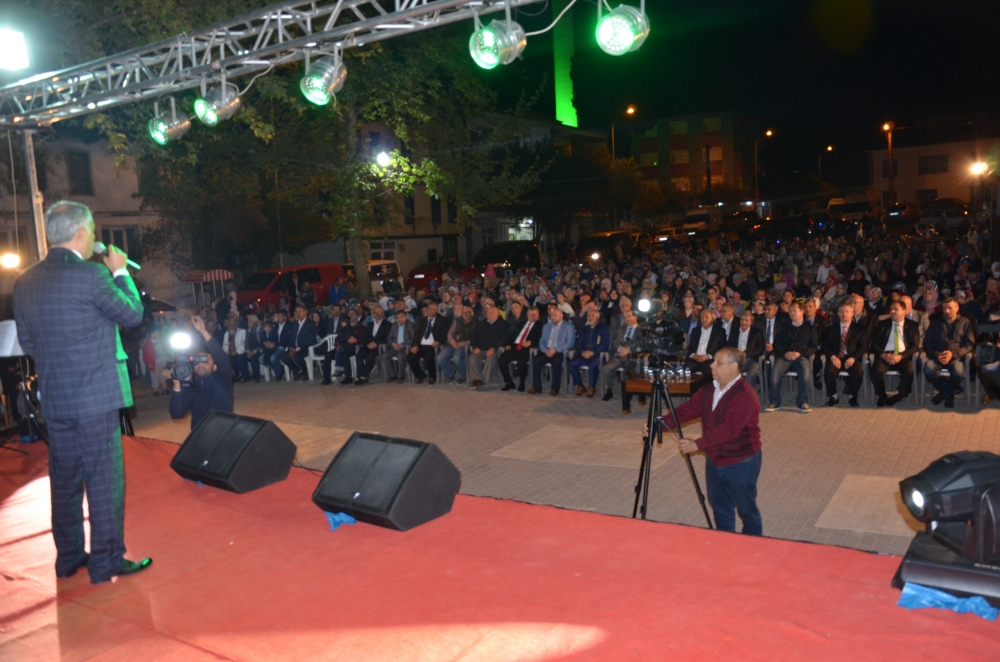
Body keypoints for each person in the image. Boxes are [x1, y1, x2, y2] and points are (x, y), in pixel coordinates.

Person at [13, 200, 150, 583]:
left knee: (65, 478)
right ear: (79, 233)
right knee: (104, 480)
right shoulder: (93, 275)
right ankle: (106, 561)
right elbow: (133, 315)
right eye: (92, 230)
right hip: (96, 398)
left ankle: (69, 556)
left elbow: (28, 342)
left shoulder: (25, 281)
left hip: (57, 398)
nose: (94, 237)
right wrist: (121, 272)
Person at [646, 347, 763, 536]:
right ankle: (724, 546)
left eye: (718, 362)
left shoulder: (745, 395)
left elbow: (729, 430)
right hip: (715, 459)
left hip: (741, 461)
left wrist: (697, 444)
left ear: (734, 367)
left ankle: (754, 549)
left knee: (747, 511)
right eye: (713, 360)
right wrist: (657, 425)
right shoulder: (709, 389)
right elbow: (686, 411)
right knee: (721, 509)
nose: (712, 365)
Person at [167, 316, 235, 429]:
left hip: (223, 433)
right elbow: (177, 414)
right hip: (199, 437)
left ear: (215, 366)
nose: (200, 364)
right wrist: (177, 386)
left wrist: (204, 331)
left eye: (205, 360)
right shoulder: (191, 385)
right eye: (197, 361)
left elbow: (223, 360)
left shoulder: (223, 379)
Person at [922, 297, 976, 408]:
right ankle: (948, 394)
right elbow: (927, 343)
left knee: (958, 372)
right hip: (938, 355)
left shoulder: (965, 322)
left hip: (956, 355)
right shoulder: (936, 322)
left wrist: (953, 354)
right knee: (928, 370)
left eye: (950, 308)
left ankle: (943, 394)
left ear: (957, 308)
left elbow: (969, 344)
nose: (947, 311)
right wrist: (936, 354)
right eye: (944, 308)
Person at [767, 301, 816, 413]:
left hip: (800, 357)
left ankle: (802, 402)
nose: (791, 313)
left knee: (805, 372)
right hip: (784, 356)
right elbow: (776, 344)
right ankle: (775, 402)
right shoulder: (784, 327)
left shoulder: (810, 329)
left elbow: (813, 347)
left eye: (794, 310)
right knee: (775, 372)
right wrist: (785, 353)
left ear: (802, 311)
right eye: (790, 310)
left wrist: (800, 353)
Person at [870, 300, 920, 407]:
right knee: (875, 371)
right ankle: (882, 395)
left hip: (903, 355)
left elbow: (914, 346)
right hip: (885, 354)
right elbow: (874, 344)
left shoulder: (912, 325)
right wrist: (883, 354)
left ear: (904, 311)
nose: (892, 311)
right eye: (891, 309)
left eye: (895, 309)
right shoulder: (883, 324)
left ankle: (900, 395)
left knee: (909, 370)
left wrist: (900, 356)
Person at [820, 302, 867, 407]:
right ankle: (833, 396)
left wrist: (853, 358)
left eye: (847, 311)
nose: (844, 313)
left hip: (852, 357)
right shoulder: (830, 330)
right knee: (828, 372)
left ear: (852, 314)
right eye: (841, 311)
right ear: (838, 313)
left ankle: (852, 396)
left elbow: (864, 347)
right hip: (836, 357)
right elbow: (825, 347)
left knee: (858, 371)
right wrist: (832, 357)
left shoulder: (859, 329)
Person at [529, 306, 575, 396]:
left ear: (561, 316)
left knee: (556, 362)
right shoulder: (546, 326)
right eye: (551, 315)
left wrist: (555, 350)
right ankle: (536, 387)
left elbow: (569, 343)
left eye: (555, 315)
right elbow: (541, 341)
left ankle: (555, 388)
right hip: (547, 350)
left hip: (560, 352)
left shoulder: (569, 326)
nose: (552, 317)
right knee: (536, 360)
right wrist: (545, 350)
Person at [499, 306, 543, 392]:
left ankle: (521, 383)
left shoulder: (541, 326)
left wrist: (531, 343)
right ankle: (509, 382)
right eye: (530, 314)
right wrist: (508, 344)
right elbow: (512, 337)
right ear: (527, 314)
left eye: (534, 314)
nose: (532, 316)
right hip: (515, 347)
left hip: (527, 349)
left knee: (522, 360)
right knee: (501, 360)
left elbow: (541, 340)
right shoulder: (520, 324)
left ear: (538, 315)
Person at [568, 308, 609, 398]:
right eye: (588, 316)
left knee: (592, 364)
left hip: (598, 355)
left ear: (597, 317)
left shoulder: (603, 329)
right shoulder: (584, 329)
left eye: (592, 316)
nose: (590, 318)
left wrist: (593, 352)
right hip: (584, 354)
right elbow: (579, 343)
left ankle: (592, 387)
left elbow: (605, 344)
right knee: (571, 364)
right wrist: (583, 352)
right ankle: (580, 385)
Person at [469, 303, 510, 388]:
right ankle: (476, 380)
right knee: (472, 358)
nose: (490, 315)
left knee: (490, 359)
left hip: (496, 350)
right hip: (481, 349)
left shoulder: (503, 324)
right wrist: (475, 346)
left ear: (497, 314)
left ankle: (484, 381)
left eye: (492, 313)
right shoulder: (481, 324)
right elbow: (473, 336)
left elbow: (504, 338)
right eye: (488, 313)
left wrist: (493, 348)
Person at [280, 305, 318, 380]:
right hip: (295, 347)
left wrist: (297, 349)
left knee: (297, 357)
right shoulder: (295, 324)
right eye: (296, 312)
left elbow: (310, 340)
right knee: (284, 357)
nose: (298, 313)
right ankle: (298, 371)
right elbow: (292, 337)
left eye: (300, 311)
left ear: (305, 312)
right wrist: (291, 347)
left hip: (306, 347)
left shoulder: (310, 324)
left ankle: (306, 372)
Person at [356, 304, 390, 384]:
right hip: (368, 345)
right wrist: (367, 344)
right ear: (373, 314)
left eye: (380, 312)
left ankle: (363, 377)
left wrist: (376, 344)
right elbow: (365, 337)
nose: (377, 314)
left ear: (383, 314)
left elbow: (387, 338)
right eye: (375, 312)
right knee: (358, 355)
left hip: (379, 346)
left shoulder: (387, 324)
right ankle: (363, 376)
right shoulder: (370, 324)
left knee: (370, 357)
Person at [685, 308, 726, 375]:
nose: (703, 319)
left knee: (707, 372)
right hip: (695, 359)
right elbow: (690, 347)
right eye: (702, 317)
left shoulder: (720, 331)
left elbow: (721, 348)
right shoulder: (695, 331)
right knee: (685, 370)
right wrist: (693, 355)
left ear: (712, 319)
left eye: (706, 317)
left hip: (709, 359)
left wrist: (708, 356)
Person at [730, 311, 764, 389]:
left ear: (751, 322)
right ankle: (732, 393)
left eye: (746, 320)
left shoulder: (757, 332)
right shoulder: (734, 331)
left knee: (752, 371)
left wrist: (745, 354)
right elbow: (730, 346)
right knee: (728, 369)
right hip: (736, 358)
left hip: (750, 358)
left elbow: (760, 349)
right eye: (742, 320)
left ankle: (748, 394)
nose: (744, 322)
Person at [385, 309, 415, 382]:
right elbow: (389, 337)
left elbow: (413, 338)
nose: (399, 319)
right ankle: (392, 375)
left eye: (401, 317)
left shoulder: (410, 325)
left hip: (406, 347)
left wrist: (402, 345)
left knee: (400, 356)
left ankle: (401, 376)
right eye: (397, 318)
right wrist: (393, 344)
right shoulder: (394, 325)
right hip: (395, 347)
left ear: (406, 317)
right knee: (385, 356)